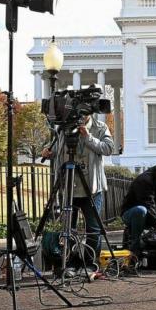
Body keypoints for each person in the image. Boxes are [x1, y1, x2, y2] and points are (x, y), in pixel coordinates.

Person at [42, 115, 114, 269]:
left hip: (92, 188)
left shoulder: (100, 127)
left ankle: (90, 264)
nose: (80, 115)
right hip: (69, 187)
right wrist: (49, 151)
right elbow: (57, 149)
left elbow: (108, 148)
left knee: (93, 229)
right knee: (68, 228)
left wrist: (88, 137)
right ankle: (69, 263)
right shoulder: (64, 128)